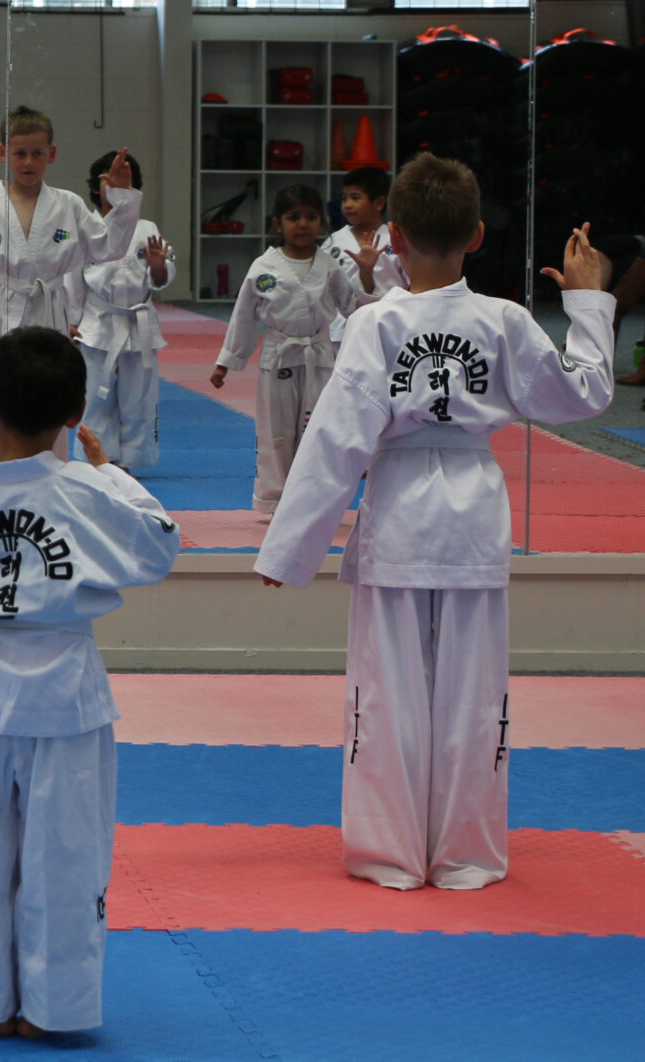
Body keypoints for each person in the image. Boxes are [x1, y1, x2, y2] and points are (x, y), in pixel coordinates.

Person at [254, 156, 617, 891]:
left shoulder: (374, 324)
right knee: (474, 697)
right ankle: (466, 855)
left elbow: (337, 439)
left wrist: (289, 547)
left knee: (386, 695)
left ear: (393, 235)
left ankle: (390, 854)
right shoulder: (505, 322)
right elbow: (585, 393)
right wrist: (589, 301)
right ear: (477, 235)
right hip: (474, 515)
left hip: (398, 514)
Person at [0, 326, 181, 1038]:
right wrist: (108, 470)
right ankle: (58, 1010)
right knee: (67, 857)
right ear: (77, 412)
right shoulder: (86, 493)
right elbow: (160, 542)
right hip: (68, 699)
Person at [212, 184, 379, 514]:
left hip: (319, 357)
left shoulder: (329, 265)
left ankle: (314, 498)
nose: (302, 224)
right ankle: (276, 500)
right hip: (278, 357)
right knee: (276, 431)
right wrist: (226, 362)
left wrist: (366, 272)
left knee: (320, 430)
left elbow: (355, 307)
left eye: (311, 217)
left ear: (321, 223)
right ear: (278, 223)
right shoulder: (264, 267)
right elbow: (243, 316)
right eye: (293, 217)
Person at [0, 108, 139, 341]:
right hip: (6, 310)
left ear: (52, 153)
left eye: (38, 153)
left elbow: (108, 247)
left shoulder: (69, 204)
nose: (29, 162)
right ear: (3, 152)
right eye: (20, 154)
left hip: (52, 311)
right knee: (5, 375)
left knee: (50, 375)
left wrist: (123, 197)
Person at [69, 151, 173, 470]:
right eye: (106, 181)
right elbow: (71, 278)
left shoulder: (147, 228)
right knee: (95, 397)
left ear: (133, 187)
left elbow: (162, 277)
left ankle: (132, 460)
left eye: (122, 182)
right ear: (95, 187)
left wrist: (157, 268)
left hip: (138, 324)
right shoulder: (86, 226)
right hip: (96, 324)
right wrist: (69, 321)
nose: (113, 188)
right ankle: (98, 459)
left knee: (139, 399)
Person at [327, 166, 410, 345]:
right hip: (341, 330)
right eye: (344, 198)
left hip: (388, 326)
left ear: (379, 203)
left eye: (355, 197)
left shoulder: (395, 239)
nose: (347, 204)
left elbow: (411, 283)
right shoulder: (335, 241)